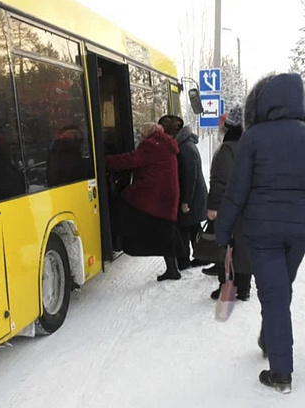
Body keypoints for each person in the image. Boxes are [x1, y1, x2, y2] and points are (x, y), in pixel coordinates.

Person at [216, 73, 305, 393]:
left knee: (274, 294)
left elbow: (237, 189)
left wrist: (224, 227)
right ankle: (270, 337)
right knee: (280, 290)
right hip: (299, 231)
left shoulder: (254, 137)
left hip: (261, 230)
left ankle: (281, 372)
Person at [106, 123, 183, 281]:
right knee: (166, 229)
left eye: (142, 133)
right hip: (167, 193)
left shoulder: (152, 145)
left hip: (152, 192)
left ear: (149, 133)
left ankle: (118, 242)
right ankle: (173, 269)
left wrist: (104, 161)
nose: (140, 136)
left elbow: (131, 160)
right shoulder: (165, 143)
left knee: (120, 203)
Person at [208, 106, 252, 301]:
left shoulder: (227, 149)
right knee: (245, 248)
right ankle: (244, 289)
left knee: (226, 248)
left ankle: (227, 287)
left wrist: (213, 207)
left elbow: (220, 180)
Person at [159, 115, 208, 270]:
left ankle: (185, 260)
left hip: (191, 196)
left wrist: (185, 201)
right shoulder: (185, 144)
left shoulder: (185, 147)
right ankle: (202, 256)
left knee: (184, 228)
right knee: (192, 227)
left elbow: (189, 176)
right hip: (193, 195)